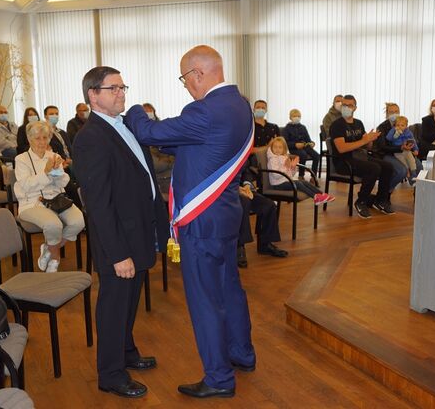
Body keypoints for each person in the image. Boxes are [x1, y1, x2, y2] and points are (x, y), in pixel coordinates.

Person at [125, 45, 256, 398]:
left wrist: (135, 110)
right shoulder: (240, 105)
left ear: (198, 73)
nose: (185, 86)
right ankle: (241, 354)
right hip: (226, 215)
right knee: (230, 289)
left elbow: (149, 132)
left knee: (204, 300)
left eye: (185, 78)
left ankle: (218, 378)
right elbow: (206, 146)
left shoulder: (204, 111)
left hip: (201, 221)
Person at [73, 66, 169, 399]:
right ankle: (110, 373)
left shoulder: (125, 124)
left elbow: (143, 178)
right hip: (119, 239)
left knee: (130, 302)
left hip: (140, 230)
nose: (121, 93)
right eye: (112, 88)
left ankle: (127, 352)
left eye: (122, 87)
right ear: (93, 95)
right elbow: (98, 204)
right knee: (114, 306)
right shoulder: (90, 138)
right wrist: (118, 253)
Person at [14, 121, 85, 273]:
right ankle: (55, 258)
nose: (42, 142)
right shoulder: (21, 159)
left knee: (79, 222)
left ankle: (49, 247)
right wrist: (46, 173)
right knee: (54, 225)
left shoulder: (53, 156)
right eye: (37, 138)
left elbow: (63, 182)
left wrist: (58, 171)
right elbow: (26, 185)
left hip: (56, 200)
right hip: (31, 202)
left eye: (45, 138)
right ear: (29, 139)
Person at [330, 95, 394, 219]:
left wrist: (370, 140)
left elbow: (368, 147)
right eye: (344, 105)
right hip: (344, 161)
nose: (346, 107)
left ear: (355, 108)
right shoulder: (337, 125)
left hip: (360, 156)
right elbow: (342, 148)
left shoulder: (358, 123)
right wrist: (364, 140)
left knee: (387, 166)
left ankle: (380, 200)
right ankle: (361, 201)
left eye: (350, 105)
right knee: (374, 168)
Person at [237, 161, 288, 268]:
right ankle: (239, 247)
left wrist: (247, 184)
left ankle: (265, 244)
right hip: (226, 192)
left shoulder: (238, 152)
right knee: (244, 204)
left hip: (244, 190)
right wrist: (236, 189)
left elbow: (246, 171)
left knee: (268, 205)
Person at [267, 136, 334, 205]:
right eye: (275, 147)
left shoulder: (284, 157)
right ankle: (315, 197)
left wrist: (293, 167)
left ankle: (322, 194)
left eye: (280, 147)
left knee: (304, 182)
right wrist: (287, 167)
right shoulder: (272, 159)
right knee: (298, 184)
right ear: (271, 148)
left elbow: (291, 174)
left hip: (286, 181)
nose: (277, 149)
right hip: (278, 184)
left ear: (284, 149)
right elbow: (275, 175)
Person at [374, 102, 422, 193]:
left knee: (419, 166)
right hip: (388, 154)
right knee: (401, 171)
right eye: (391, 112)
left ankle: (418, 195)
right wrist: (401, 148)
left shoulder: (403, 124)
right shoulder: (382, 127)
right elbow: (383, 147)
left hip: (404, 152)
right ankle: (384, 193)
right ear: (387, 114)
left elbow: (410, 138)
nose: (394, 113)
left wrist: (413, 148)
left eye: (396, 111)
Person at [142, 103, 174, 193]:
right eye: (146, 112)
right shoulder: (141, 135)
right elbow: (155, 165)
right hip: (158, 182)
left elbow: (173, 153)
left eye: (150, 111)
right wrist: (167, 161)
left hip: (171, 179)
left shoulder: (162, 130)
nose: (149, 114)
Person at [282, 109, 321, 178]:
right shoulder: (287, 128)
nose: (297, 117)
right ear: (290, 117)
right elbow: (285, 143)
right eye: (294, 116)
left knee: (316, 155)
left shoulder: (303, 127)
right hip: (293, 148)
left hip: (305, 147)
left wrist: (312, 143)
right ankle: (301, 175)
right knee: (303, 154)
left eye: (298, 116)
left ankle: (313, 176)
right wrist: (295, 145)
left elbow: (308, 140)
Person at [385, 116, 419, 184]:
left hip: (407, 150)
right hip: (398, 151)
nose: (400, 127)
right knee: (403, 162)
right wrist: (394, 130)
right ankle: (407, 171)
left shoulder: (408, 132)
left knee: (411, 160)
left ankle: (413, 173)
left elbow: (413, 141)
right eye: (398, 125)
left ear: (406, 126)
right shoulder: (394, 131)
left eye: (402, 125)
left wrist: (416, 149)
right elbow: (388, 138)